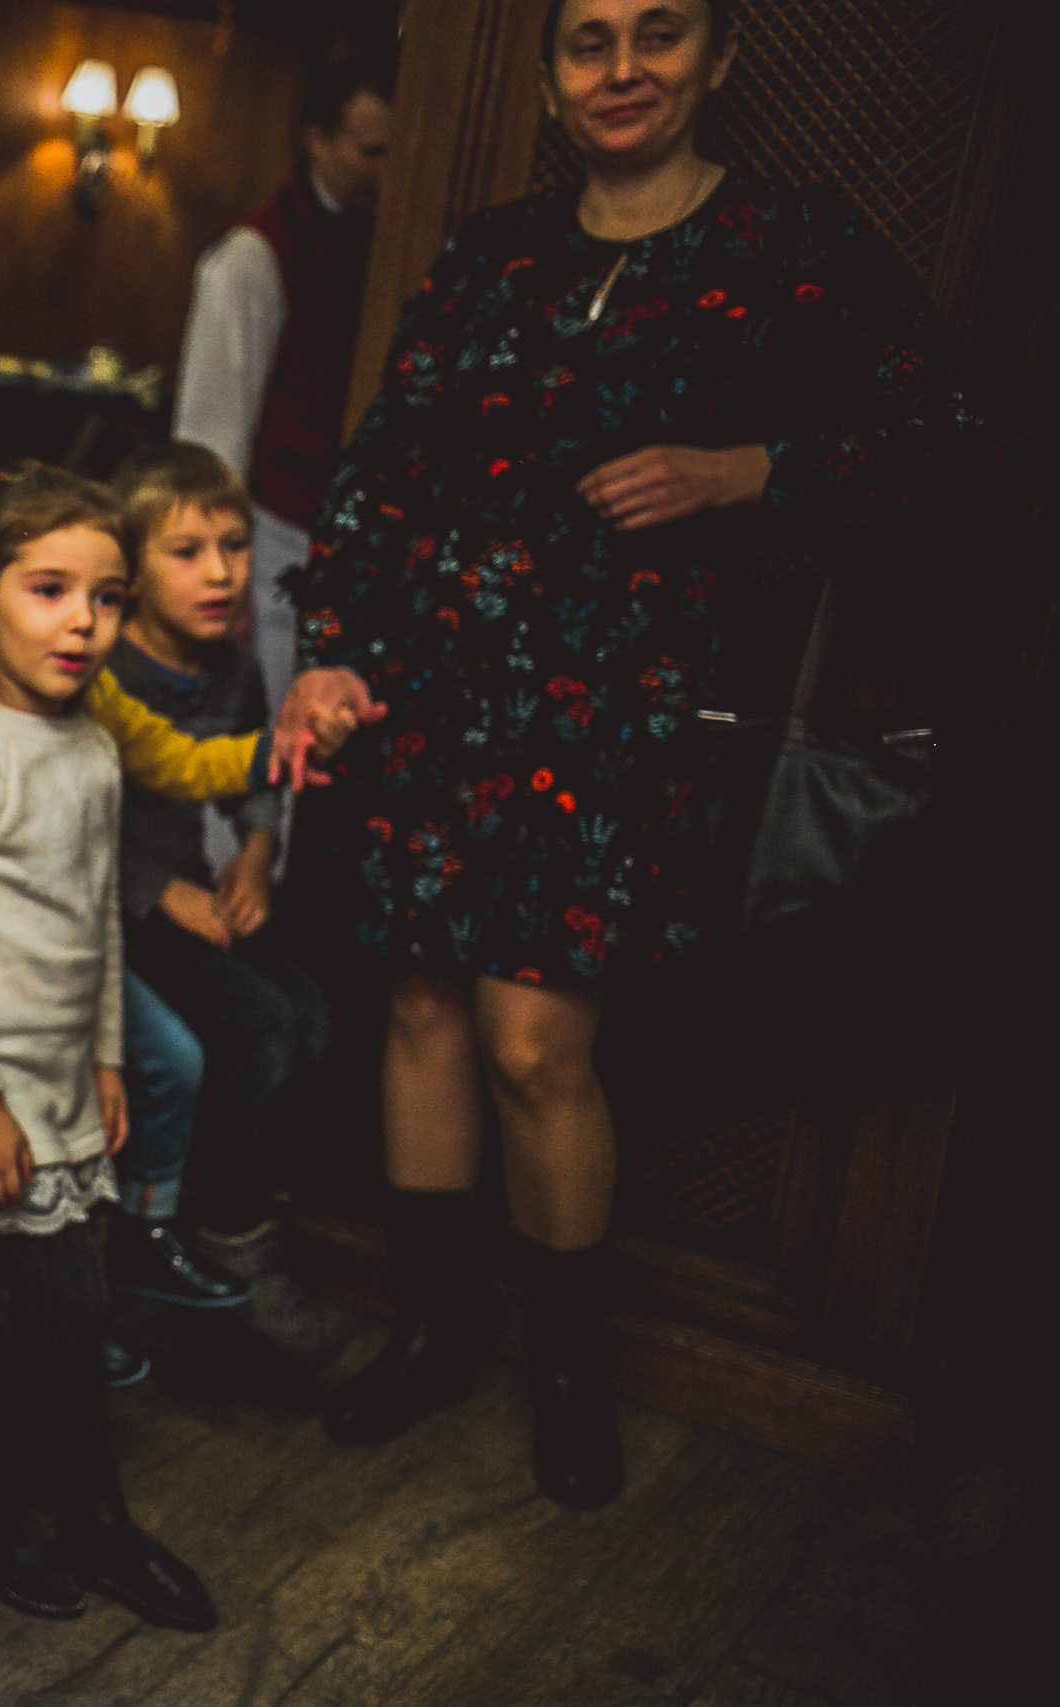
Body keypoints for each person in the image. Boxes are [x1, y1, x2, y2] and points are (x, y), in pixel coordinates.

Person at [271, 0, 987, 1509]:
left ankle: (566, 1370)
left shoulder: (787, 241)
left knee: (537, 1044)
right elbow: (386, 467)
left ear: (718, 60)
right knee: (421, 1005)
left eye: (658, 35)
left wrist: (749, 470)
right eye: (587, 43)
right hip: (427, 688)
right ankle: (430, 1334)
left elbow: (949, 431)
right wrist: (332, 642)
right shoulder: (491, 252)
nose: (622, 70)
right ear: (547, 82)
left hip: (607, 705)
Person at [0, 462, 215, 1631]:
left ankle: (87, 1518)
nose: (83, 623)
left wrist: (108, 1058)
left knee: (72, 1310)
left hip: (60, 1086)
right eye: (50, 590)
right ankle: (25, 1512)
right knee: (62, 1307)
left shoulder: (92, 750)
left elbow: (97, 927)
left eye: (107, 598)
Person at [104, 443, 341, 1368]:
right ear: (130, 567)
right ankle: (231, 1239)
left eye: (235, 547)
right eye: (187, 551)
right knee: (258, 1023)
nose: (220, 572)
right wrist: (160, 890)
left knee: (311, 1013)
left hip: (191, 891)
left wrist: (257, 855)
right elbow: (79, 811)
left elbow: (257, 780)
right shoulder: (103, 666)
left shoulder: (234, 670)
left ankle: (223, 1200)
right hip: (117, 906)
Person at [173, 46, 394, 794]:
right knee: (256, 728)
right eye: (370, 151)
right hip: (272, 531)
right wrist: (219, 566)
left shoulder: (387, 241)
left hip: (345, 535)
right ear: (319, 140)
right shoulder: (252, 257)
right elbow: (212, 431)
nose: (384, 170)